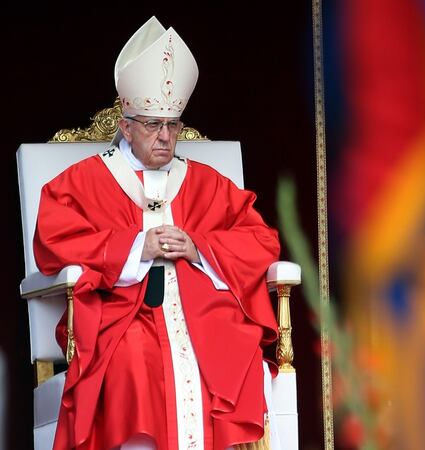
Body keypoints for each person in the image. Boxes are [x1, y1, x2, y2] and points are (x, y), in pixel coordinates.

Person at [34, 17, 281, 450]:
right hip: (121, 314)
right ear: (125, 125)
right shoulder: (83, 182)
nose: (165, 137)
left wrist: (199, 247)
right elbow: (54, 238)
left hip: (202, 312)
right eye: (152, 125)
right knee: (131, 357)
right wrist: (135, 247)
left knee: (230, 350)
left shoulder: (207, 183)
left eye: (173, 125)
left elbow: (262, 241)